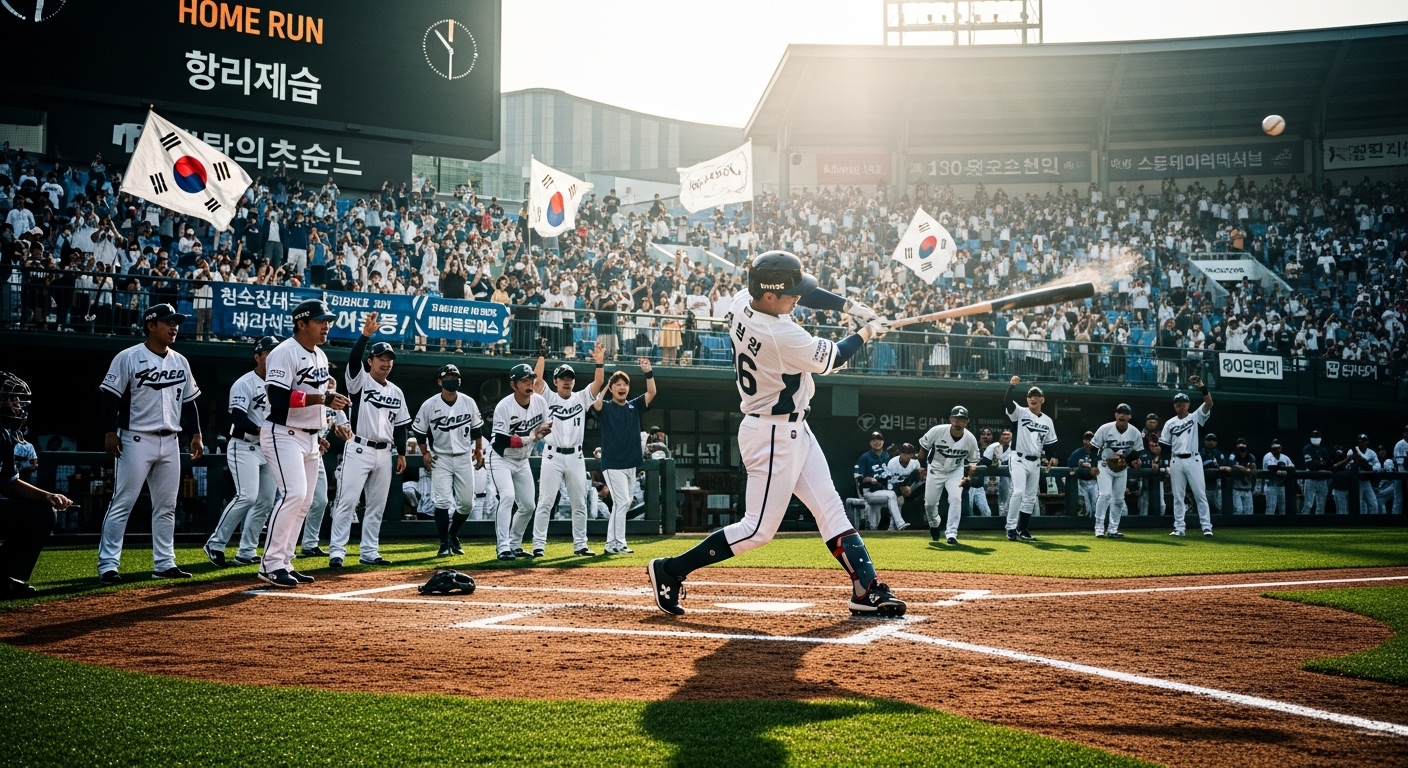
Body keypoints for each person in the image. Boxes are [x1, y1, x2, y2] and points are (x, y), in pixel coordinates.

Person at [648, 250, 903, 618]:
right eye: (790, 293)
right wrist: (866, 330)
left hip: (793, 427)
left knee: (829, 507)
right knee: (757, 531)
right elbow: (834, 356)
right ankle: (670, 570)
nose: (797, 298)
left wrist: (850, 306)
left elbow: (803, 292)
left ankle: (866, 587)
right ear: (769, 296)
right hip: (771, 433)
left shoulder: (742, 301)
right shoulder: (781, 334)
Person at [97, 303, 204, 583]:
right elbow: (110, 398)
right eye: (168, 322)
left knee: (167, 506)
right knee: (123, 503)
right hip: (135, 439)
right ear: (151, 325)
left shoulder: (180, 361)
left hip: (170, 441)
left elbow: (190, 402)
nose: (174, 327)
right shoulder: (128, 357)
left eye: (176, 323)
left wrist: (195, 434)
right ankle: (108, 565)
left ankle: (164, 563)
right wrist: (109, 431)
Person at [259, 299, 348, 588]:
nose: (326, 326)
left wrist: (324, 428)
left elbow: (317, 401)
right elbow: (279, 399)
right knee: (293, 494)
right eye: (320, 321)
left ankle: (284, 562)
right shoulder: (284, 352)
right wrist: (322, 399)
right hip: (282, 432)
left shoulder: (320, 356)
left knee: (305, 501)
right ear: (301, 323)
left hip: (310, 436)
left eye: (328, 321)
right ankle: (270, 564)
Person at [328, 314, 411, 568]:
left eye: (389, 360)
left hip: (385, 453)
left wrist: (402, 453)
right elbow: (353, 360)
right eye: (381, 359)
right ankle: (337, 552)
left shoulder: (396, 391)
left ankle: (369, 551)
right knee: (348, 501)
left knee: (377, 505)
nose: (386, 363)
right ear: (371, 361)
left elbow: (400, 425)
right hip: (359, 447)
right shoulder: (360, 381)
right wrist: (364, 336)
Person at [204, 336, 279, 568]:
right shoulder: (244, 383)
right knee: (247, 496)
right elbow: (238, 418)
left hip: (270, 448)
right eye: (269, 353)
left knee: (265, 501)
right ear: (257, 357)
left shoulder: (283, 384)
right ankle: (215, 543)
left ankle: (246, 551)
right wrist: (263, 430)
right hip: (244, 445)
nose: (274, 357)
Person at [0, 372, 72, 599]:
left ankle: (2, 577)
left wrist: (48, 496)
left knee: (41, 513)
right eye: (11, 398)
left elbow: (8, 483)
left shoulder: (4, 434)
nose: (17, 404)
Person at [532, 344, 606, 558]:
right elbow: (537, 381)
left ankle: (580, 544)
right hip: (552, 455)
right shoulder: (548, 397)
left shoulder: (581, 397)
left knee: (579, 502)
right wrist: (542, 356)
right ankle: (538, 545)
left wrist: (599, 361)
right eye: (563, 377)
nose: (567, 381)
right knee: (545, 501)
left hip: (576, 456)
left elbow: (599, 382)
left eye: (570, 377)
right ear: (555, 381)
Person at [412, 364, 485, 557]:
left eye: (455, 376)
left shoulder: (468, 402)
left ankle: (453, 533)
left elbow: (477, 428)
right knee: (442, 501)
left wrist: (478, 449)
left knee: (467, 503)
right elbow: (419, 432)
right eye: (448, 377)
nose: (453, 380)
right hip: (441, 457)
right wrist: (424, 452)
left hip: (463, 456)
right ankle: (444, 543)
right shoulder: (430, 404)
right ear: (440, 381)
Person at [592, 358, 658, 554]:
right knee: (623, 502)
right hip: (613, 463)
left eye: (625, 385)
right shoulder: (605, 406)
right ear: (612, 389)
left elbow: (652, 392)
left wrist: (648, 372)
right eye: (618, 385)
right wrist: (605, 386)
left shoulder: (634, 405)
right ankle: (619, 543)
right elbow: (595, 404)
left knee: (624, 503)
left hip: (631, 463)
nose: (622, 388)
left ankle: (610, 544)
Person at [490, 361, 551, 561]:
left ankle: (515, 544)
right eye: (524, 380)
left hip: (523, 460)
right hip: (502, 458)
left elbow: (548, 423)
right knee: (507, 497)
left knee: (528, 505)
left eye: (531, 379)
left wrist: (543, 428)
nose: (530, 384)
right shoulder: (504, 406)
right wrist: (531, 437)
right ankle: (503, 546)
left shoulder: (539, 401)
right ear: (513, 384)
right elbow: (502, 442)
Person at [1159, 375, 1214, 536]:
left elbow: (1209, 403)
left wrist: (1202, 386)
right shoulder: (1170, 423)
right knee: (1178, 496)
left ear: (1188, 404)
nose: (1179, 406)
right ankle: (1180, 528)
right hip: (1176, 460)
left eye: (1182, 403)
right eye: (1177, 404)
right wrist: (1165, 463)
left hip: (1193, 458)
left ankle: (1206, 527)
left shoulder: (1194, 416)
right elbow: (1164, 445)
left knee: (1200, 494)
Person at [300, 377, 349, 557]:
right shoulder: (311, 403)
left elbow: (347, 431)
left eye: (332, 390)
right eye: (326, 390)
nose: (329, 393)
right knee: (288, 499)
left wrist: (345, 432)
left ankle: (310, 544)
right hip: (295, 450)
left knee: (320, 500)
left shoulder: (336, 410)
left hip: (316, 454)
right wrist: (317, 439)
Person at [1003, 376, 1056, 541]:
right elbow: (1007, 402)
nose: (1032, 398)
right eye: (1029, 396)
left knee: (1030, 498)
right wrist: (1011, 387)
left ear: (1042, 400)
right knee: (1018, 492)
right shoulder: (1020, 412)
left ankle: (1022, 529)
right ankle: (1011, 527)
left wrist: (1053, 457)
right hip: (1018, 458)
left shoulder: (1047, 421)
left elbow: (1050, 443)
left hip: (1035, 461)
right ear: (1027, 399)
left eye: (1036, 396)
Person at [918, 406, 979, 545]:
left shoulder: (970, 439)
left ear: (966, 422)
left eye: (962, 420)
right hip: (936, 469)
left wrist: (969, 476)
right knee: (930, 504)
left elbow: (973, 461)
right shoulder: (937, 431)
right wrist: (922, 466)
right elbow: (923, 448)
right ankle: (934, 523)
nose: (958, 423)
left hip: (955, 471)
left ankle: (951, 533)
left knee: (956, 498)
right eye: (956, 419)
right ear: (951, 419)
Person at [1091, 404, 1141, 538]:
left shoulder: (1134, 432)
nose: (1122, 415)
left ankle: (1113, 529)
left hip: (1122, 468)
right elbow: (1093, 447)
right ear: (1116, 415)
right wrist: (1093, 465)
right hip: (1105, 465)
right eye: (1120, 412)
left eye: (1125, 413)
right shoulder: (1105, 428)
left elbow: (1137, 451)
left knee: (1119, 499)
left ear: (1129, 416)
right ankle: (1099, 527)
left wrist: (1128, 460)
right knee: (1105, 495)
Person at [853, 431, 899, 531]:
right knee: (891, 496)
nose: (877, 442)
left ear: (883, 442)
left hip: (884, 489)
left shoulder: (887, 456)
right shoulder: (865, 457)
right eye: (874, 440)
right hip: (870, 491)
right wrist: (869, 479)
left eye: (879, 440)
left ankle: (892, 527)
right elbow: (858, 477)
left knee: (873, 525)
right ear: (870, 443)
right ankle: (899, 524)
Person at [885, 443, 923, 533]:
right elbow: (889, 482)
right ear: (900, 453)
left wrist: (908, 487)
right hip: (894, 487)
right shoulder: (892, 463)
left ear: (912, 454)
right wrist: (901, 489)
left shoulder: (915, 463)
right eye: (905, 453)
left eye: (909, 453)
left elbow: (917, 479)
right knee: (899, 499)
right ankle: (892, 525)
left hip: (910, 487)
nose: (907, 456)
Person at [1261, 439, 1295, 515]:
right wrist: (1285, 470)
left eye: (1278, 448)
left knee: (1283, 509)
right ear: (1271, 449)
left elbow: (1293, 467)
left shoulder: (1285, 457)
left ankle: (1282, 525)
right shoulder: (1267, 456)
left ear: (1281, 448)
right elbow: (1274, 470)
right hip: (1271, 485)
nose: (1276, 450)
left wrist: (1284, 470)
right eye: (1274, 448)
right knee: (1271, 508)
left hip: (1282, 486)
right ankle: (1268, 525)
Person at [983, 429, 1012, 516]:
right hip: (992, 478)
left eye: (1008, 434)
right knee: (993, 502)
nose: (1006, 437)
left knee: (1008, 502)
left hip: (1009, 479)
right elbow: (984, 462)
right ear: (1000, 436)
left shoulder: (1014, 447)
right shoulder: (994, 446)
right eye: (1003, 434)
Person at [1351, 434, 1382, 515]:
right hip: (1357, 482)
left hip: (1367, 481)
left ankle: (1372, 523)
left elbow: (1377, 465)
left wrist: (1371, 467)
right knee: (1359, 504)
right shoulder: (1352, 451)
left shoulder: (1371, 452)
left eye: (1364, 441)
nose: (1362, 443)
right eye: (1360, 441)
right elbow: (1350, 466)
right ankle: (1359, 524)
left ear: (1367, 442)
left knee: (1373, 503)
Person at [1301, 430, 1330, 515]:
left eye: (1317, 437)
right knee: (1308, 504)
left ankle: (1319, 523)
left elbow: (1328, 463)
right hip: (1311, 479)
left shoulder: (1323, 450)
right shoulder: (1307, 448)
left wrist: (1318, 463)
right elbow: (1310, 465)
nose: (1316, 438)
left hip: (1322, 480)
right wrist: (1321, 463)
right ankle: (1304, 523)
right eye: (1314, 437)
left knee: (1321, 505)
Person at [1202, 433, 1230, 514]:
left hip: (1216, 484)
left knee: (1219, 507)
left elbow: (1224, 465)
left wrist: (1218, 467)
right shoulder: (1200, 452)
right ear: (1205, 441)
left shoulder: (1218, 453)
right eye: (1209, 440)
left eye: (1213, 440)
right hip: (1204, 483)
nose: (1211, 442)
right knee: (1204, 507)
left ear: (1216, 442)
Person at [1229, 439, 1258, 515]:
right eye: (1240, 449)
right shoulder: (1233, 455)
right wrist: (1245, 469)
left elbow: (1253, 466)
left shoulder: (1250, 456)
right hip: (1236, 489)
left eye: (1244, 449)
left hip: (1247, 488)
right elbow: (1233, 466)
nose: (1242, 452)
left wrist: (1249, 469)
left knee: (1249, 511)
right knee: (1238, 510)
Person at [1394, 425, 1408, 517]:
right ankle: (1395, 519)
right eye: (1406, 431)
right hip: (1400, 474)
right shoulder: (1400, 444)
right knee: (1398, 499)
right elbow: (1400, 462)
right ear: (1404, 433)